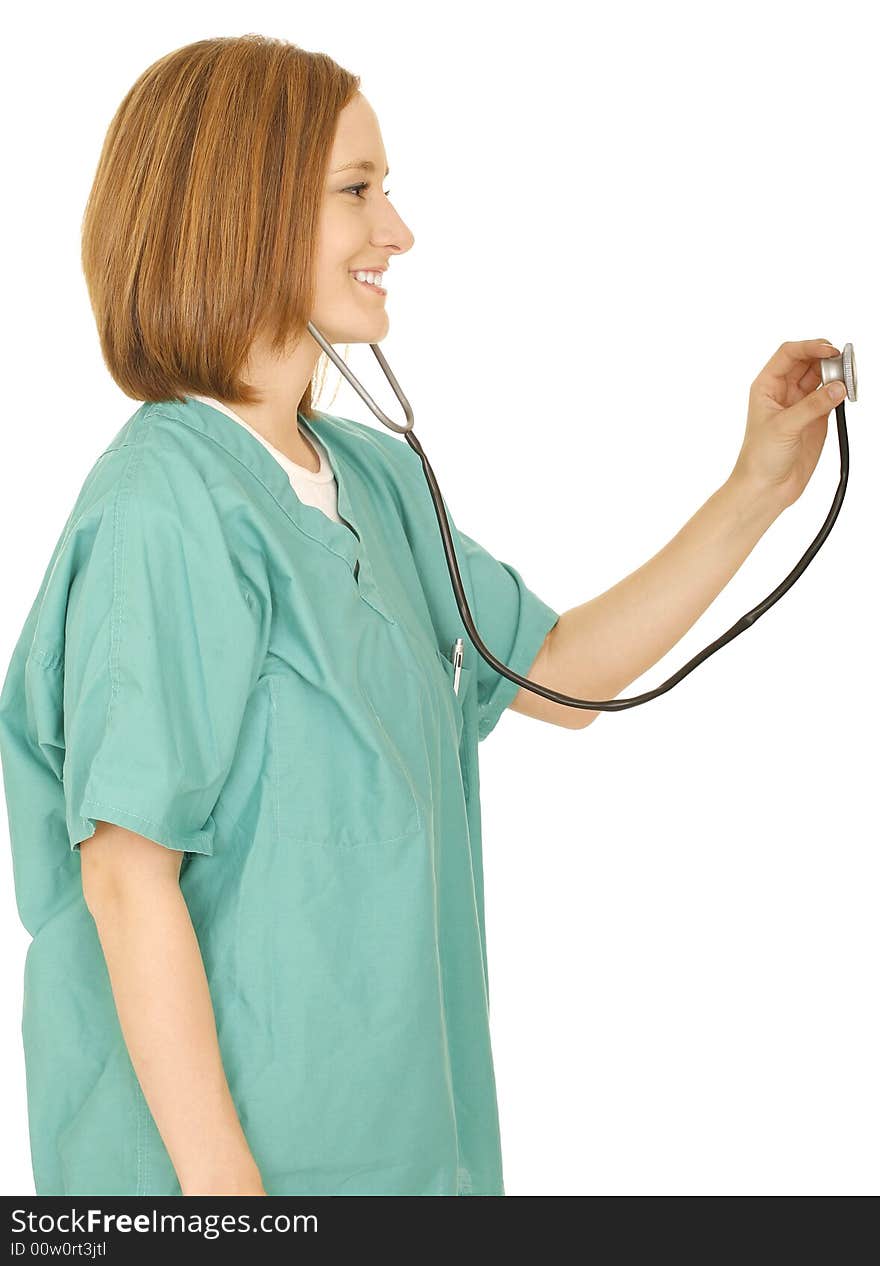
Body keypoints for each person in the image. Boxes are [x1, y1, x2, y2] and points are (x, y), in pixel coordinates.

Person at [0, 34, 844, 1198]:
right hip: (220, 1187)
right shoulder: (167, 506)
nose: (397, 232)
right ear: (242, 205)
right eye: (357, 190)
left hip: (406, 1159)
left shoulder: (376, 484)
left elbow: (562, 672)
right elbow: (124, 877)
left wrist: (757, 485)